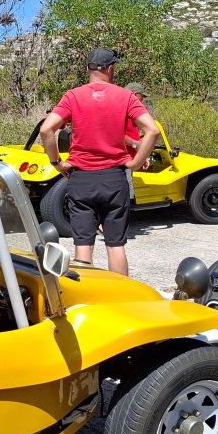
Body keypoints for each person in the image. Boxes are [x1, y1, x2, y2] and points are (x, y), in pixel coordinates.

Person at [40, 47, 159, 276]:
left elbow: (47, 129)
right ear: (110, 69)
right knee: (115, 246)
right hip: (114, 178)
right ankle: (119, 301)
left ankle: (87, 300)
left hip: (81, 179)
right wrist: (133, 164)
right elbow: (151, 131)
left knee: (82, 247)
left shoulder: (73, 96)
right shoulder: (125, 96)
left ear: (88, 68)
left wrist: (57, 163)